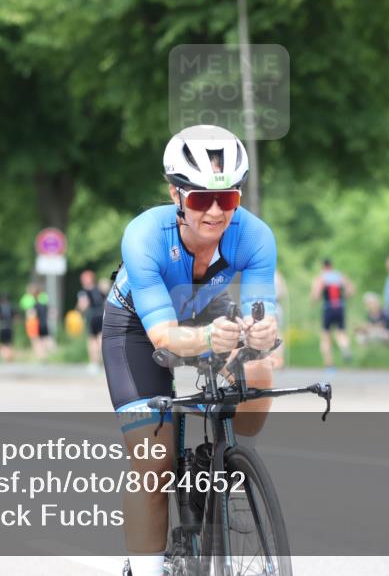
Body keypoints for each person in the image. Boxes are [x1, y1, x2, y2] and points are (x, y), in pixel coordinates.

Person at [103, 125, 278, 576]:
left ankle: (220, 463)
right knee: (153, 459)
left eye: (230, 199)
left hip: (207, 311)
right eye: (202, 199)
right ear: (176, 194)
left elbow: (262, 312)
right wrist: (207, 341)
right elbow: (163, 336)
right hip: (139, 327)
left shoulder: (255, 236)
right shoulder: (145, 235)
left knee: (260, 378)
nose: (217, 211)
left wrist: (259, 336)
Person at [310, 258, 355, 372]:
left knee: (325, 336)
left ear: (323, 266)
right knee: (341, 333)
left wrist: (314, 301)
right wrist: (345, 297)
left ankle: (329, 364)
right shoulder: (339, 276)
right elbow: (351, 290)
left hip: (328, 308)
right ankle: (345, 348)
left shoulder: (321, 277)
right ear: (332, 265)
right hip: (340, 307)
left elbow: (316, 294)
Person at [77, 270, 106, 374]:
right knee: (101, 339)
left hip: (91, 316)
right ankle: (106, 361)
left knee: (92, 341)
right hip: (101, 315)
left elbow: (83, 305)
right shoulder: (99, 289)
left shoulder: (83, 292)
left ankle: (94, 363)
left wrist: (79, 309)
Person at [0, 294, 16, 362]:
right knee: (7, 343)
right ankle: (7, 355)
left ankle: (6, 356)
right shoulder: (10, 307)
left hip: (4, 327)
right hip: (7, 327)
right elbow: (16, 317)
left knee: (4, 343)